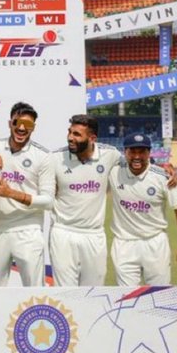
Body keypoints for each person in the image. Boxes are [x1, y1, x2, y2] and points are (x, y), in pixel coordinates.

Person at [0, 102, 54, 287]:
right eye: (17, 123)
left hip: (28, 229)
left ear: (34, 128)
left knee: (34, 291)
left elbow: (48, 201)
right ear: (10, 123)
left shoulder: (43, 156)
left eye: (28, 125)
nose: (22, 128)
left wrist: (12, 193)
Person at [47, 114, 123, 286]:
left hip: (94, 234)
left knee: (93, 293)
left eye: (76, 134)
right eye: (70, 132)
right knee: (65, 293)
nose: (70, 138)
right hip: (63, 232)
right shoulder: (55, 158)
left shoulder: (110, 155)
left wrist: (165, 170)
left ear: (92, 138)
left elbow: (136, 164)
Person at [109, 132, 177, 286]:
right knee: (127, 298)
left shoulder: (163, 177)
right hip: (124, 244)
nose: (137, 156)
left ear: (149, 153)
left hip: (155, 244)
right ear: (125, 152)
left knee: (158, 296)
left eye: (142, 152)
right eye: (132, 151)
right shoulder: (113, 170)